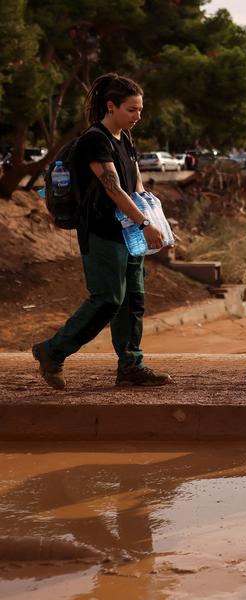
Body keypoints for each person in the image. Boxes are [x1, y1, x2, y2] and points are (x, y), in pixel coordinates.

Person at [31, 73, 172, 390]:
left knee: (132, 300)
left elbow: (135, 186)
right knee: (108, 298)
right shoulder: (96, 140)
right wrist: (144, 224)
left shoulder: (125, 139)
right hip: (102, 231)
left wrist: (153, 219)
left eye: (140, 109)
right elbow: (114, 190)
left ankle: (131, 366)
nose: (138, 116)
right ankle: (51, 351)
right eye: (131, 110)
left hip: (128, 232)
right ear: (111, 106)